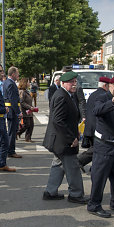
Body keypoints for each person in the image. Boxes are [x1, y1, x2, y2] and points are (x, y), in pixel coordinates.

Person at [87, 75, 114, 218]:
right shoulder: (103, 97)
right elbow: (97, 110)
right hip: (104, 146)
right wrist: (112, 102)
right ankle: (94, 205)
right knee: (99, 177)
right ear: (109, 86)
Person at [42, 71, 86, 203]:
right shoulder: (62, 96)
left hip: (60, 139)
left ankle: (50, 192)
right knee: (73, 167)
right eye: (71, 82)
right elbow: (58, 121)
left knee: (58, 165)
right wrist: (71, 138)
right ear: (63, 83)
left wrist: (76, 131)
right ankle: (76, 194)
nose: (74, 84)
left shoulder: (66, 94)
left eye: (75, 82)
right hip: (63, 141)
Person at [78, 77, 110, 173]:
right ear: (105, 85)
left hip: (91, 126)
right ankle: (79, 161)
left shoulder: (93, 94)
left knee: (97, 151)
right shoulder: (104, 95)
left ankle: (94, 168)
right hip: (97, 127)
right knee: (97, 149)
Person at [3, 66, 22, 159]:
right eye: (17, 73)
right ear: (13, 74)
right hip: (12, 110)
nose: (18, 75)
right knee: (12, 131)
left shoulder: (7, 82)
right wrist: (18, 112)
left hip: (10, 109)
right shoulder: (10, 83)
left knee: (11, 131)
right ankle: (10, 151)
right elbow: (13, 100)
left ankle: (9, 150)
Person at [17, 78, 37, 142]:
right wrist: (29, 107)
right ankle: (17, 132)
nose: (29, 84)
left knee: (31, 125)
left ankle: (28, 138)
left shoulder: (26, 91)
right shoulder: (22, 91)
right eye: (28, 82)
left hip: (29, 111)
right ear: (25, 83)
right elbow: (21, 102)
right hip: (24, 111)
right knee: (26, 125)